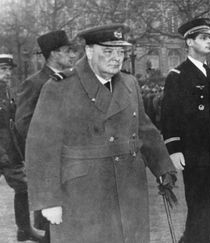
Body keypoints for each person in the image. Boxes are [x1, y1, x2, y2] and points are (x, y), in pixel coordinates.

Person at [24, 24, 177, 243]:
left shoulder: (130, 83)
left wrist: (163, 167)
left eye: (120, 52)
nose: (116, 58)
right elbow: (41, 146)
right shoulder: (59, 87)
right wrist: (48, 201)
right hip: (82, 192)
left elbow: (144, 129)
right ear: (88, 51)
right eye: (108, 51)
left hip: (129, 187)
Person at [161, 18, 210, 243]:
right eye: (203, 38)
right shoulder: (178, 75)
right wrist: (174, 149)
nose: (209, 42)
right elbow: (169, 115)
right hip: (192, 153)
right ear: (190, 42)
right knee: (198, 205)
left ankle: (192, 240)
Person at [15, 29, 77, 243]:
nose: (73, 55)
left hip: (75, 164)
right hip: (51, 164)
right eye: (68, 51)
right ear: (53, 53)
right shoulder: (34, 83)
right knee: (53, 228)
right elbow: (24, 125)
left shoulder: (73, 80)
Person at [0, 54, 43, 241]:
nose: (7, 73)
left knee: (23, 187)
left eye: (9, 70)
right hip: (3, 152)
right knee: (23, 186)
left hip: (9, 152)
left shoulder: (6, 91)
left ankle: (24, 229)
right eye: (3, 69)